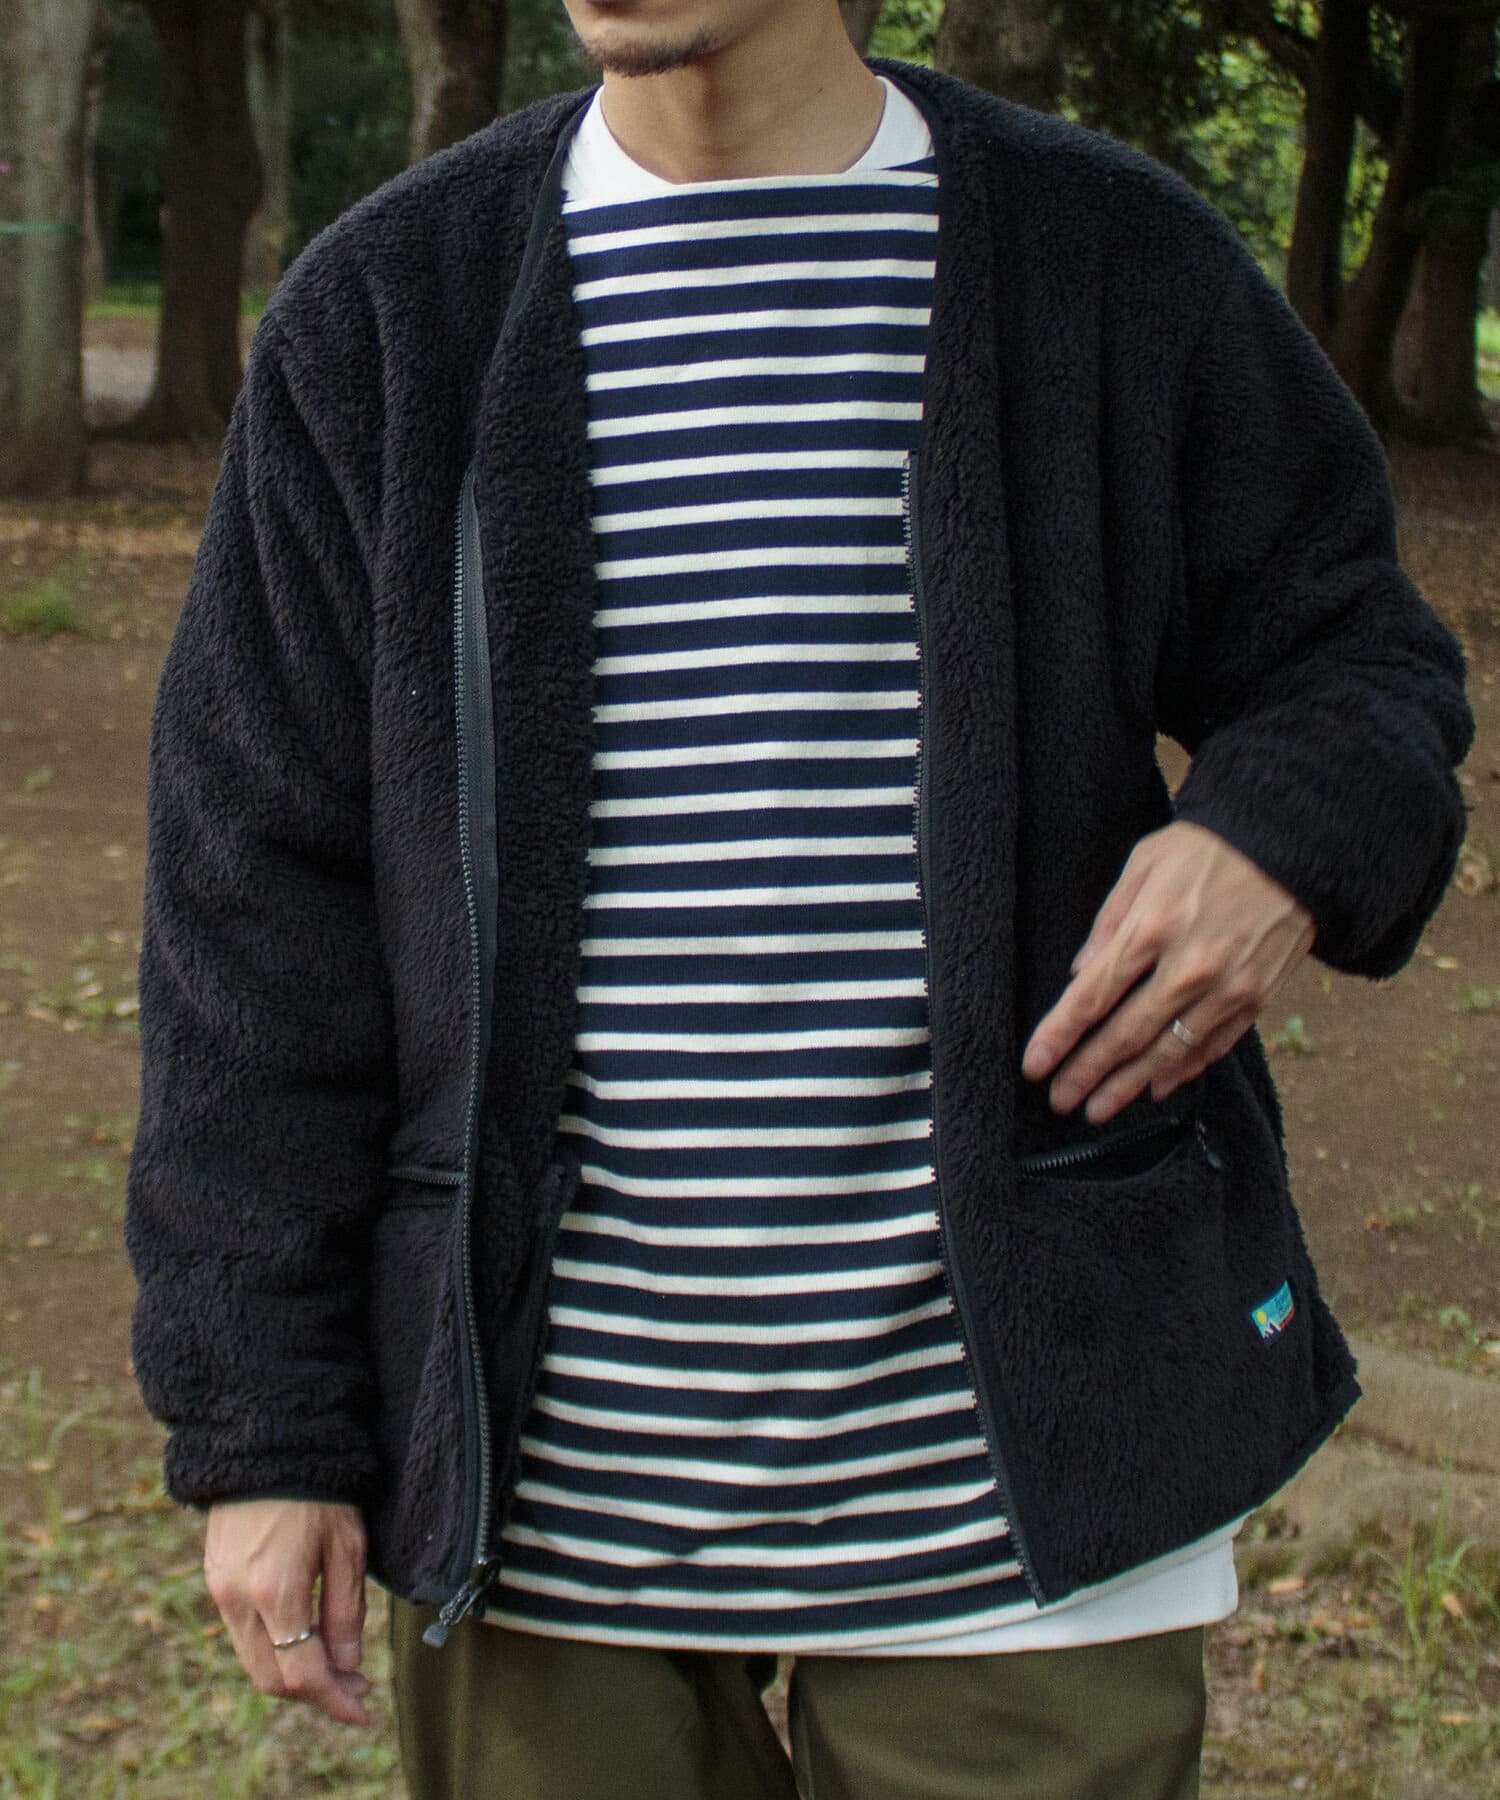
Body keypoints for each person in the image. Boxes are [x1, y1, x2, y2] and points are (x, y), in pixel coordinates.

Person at [124, 3, 1474, 1795]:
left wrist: (1280, 835)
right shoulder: (389, 311)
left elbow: (1356, 654)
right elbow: (251, 912)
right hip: (546, 1494)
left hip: (1023, 1487)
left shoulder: (1109, 257)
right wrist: (267, 1425)